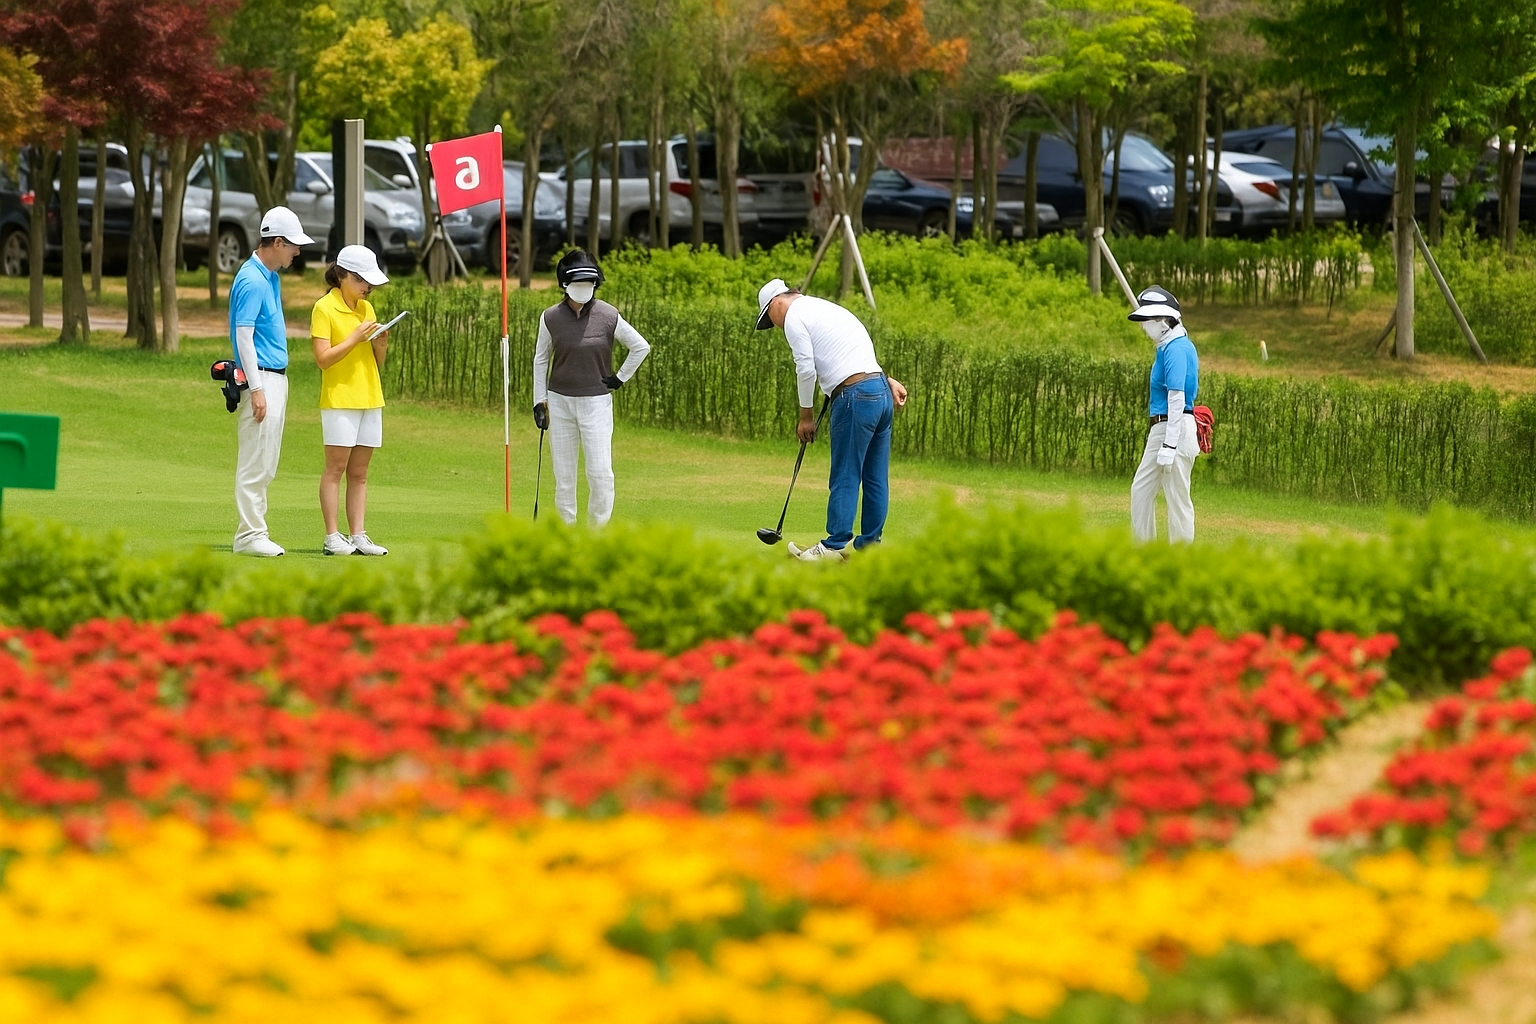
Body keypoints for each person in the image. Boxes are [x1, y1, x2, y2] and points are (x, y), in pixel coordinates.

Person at [755, 278, 908, 561]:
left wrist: (806, 416)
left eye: (769, 318)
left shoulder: (793, 317)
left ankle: (833, 547)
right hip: (878, 391)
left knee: (845, 475)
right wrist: (885, 379)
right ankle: (870, 549)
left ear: (776, 302)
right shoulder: (824, 308)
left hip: (855, 398)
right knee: (875, 478)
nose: (774, 325)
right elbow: (851, 350)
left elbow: (805, 368)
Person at [531, 250, 650, 527]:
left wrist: (620, 377)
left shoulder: (608, 315)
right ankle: (567, 533)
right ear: (565, 285)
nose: (584, 289)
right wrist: (540, 401)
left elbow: (640, 346)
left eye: (589, 284)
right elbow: (541, 359)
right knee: (564, 477)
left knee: (600, 473)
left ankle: (596, 532)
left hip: (596, 404)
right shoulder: (549, 317)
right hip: (559, 403)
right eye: (579, 284)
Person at [229, 206, 312, 557]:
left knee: (268, 461)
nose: (297, 252)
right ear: (276, 242)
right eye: (293, 245)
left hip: (275, 377)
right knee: (255, 460)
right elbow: (243, 336)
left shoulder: (270, 276)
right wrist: (258, 388)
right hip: (260, 377)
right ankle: (249, 535)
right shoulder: (251, 279)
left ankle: (255, 531)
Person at [310, 244, 393, 556]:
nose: (367, 287)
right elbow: (322, 359)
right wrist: (354, 338)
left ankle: (358, 534)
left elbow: (376, 361)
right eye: (361, 280)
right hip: (339, 398)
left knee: (360, 473)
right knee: (335, 469)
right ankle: (333, 536)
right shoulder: (323, 308)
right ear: (343, 276)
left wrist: (380, 344)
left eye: (369, 282)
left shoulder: (367, 309)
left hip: (370, 396)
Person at [1129, 284, 1200, 543]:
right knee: (1141, 490)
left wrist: (1169, 444)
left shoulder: (1177, 349)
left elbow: (1177, 397)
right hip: (1162, 429)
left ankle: (1179, 563)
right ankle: (1143, 552)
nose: (1144, 326)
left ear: (1164, 321)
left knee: (1177, 498)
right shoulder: (1167, 348)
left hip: (1175, 429)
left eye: (1148, 319)